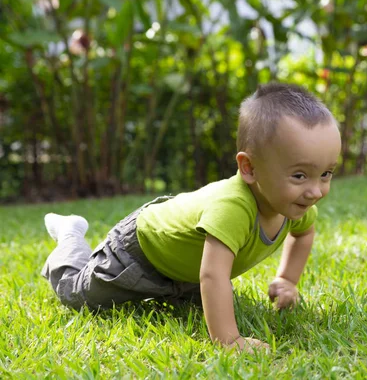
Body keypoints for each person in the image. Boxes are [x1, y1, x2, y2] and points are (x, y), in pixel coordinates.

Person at [41, 83, 342, 353]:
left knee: (192, 305)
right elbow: (212, 275)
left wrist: (287, 279)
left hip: (183, 268)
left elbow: (304, 234)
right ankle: (69, 233)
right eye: (300, 175)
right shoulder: (233, 208)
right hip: (140, 251)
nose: (315, 190)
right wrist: (229, 340)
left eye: (326, 173)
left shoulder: (294, 206)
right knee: (76, 294)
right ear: (249, 168)